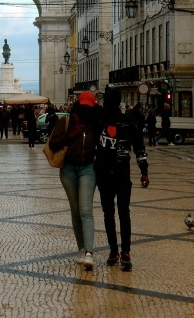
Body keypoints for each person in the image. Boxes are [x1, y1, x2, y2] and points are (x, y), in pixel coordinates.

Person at [95, 90, 149, 271]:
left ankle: (119, 252)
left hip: (112, 174)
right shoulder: (102, 121)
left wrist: (144, 171)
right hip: (111, 174)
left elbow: (139, 147)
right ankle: (119, 252)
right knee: (119, 213)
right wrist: (144, 171)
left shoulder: (109, 121)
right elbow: (140, 149)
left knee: (114, 213)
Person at [48, 91, 100, 270]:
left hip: (88, 169)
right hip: (68, 169)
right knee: (76, 210)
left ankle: (89, 253)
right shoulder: (67, 121)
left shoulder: (96, 123)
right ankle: (81, 249)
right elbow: (52, 144)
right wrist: (71, 134)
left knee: (85, 210)